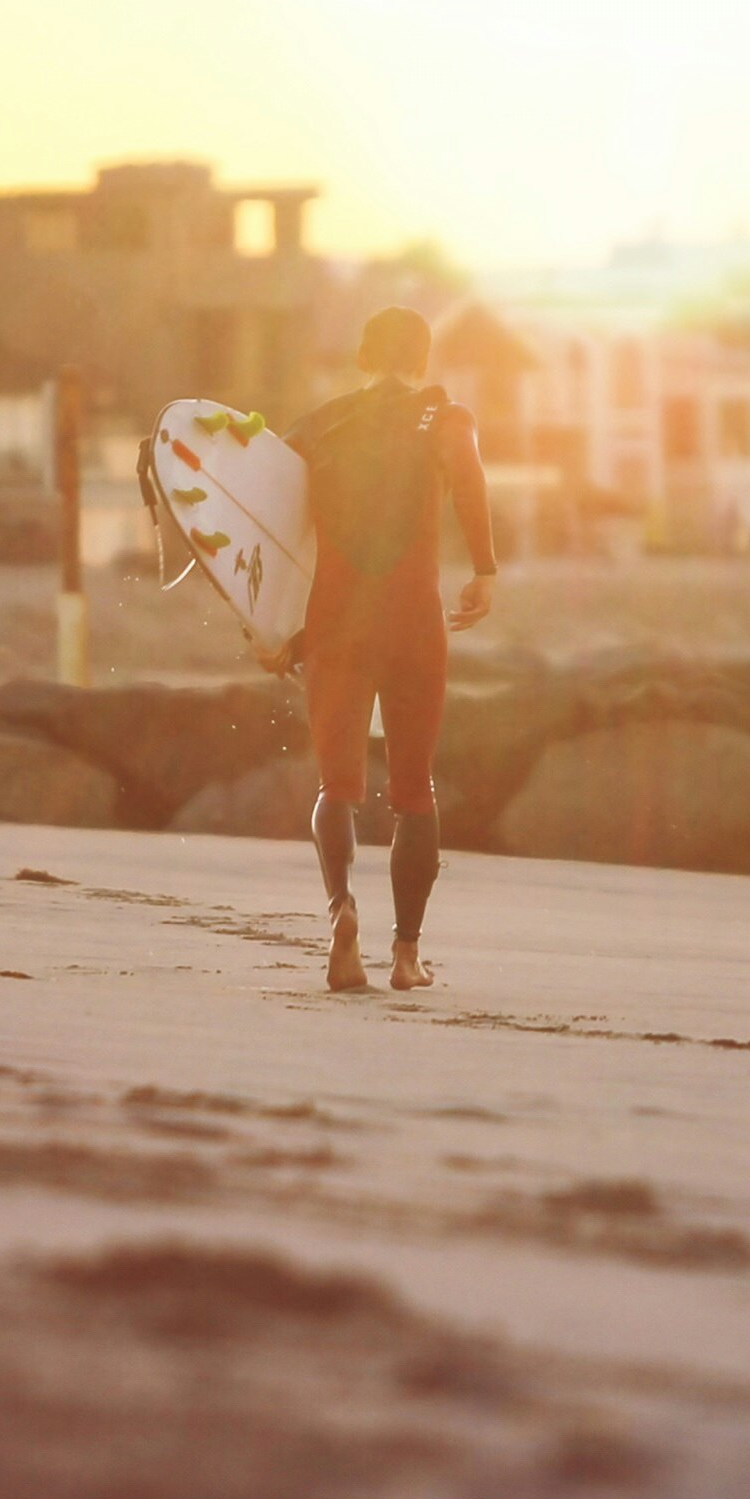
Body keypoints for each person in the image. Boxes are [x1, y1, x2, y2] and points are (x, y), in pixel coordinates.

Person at [284, 306, 499, 993]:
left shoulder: (316, 428)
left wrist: (272, 628)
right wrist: (485, 570)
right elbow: (469, 478)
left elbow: (269, 527)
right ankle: (406, 956)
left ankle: (342, 908)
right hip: (413, 624)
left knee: (336, 787)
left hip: (336, 624)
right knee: (413, 791)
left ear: (365, 356)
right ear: (424, 358)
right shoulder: (444, 418)